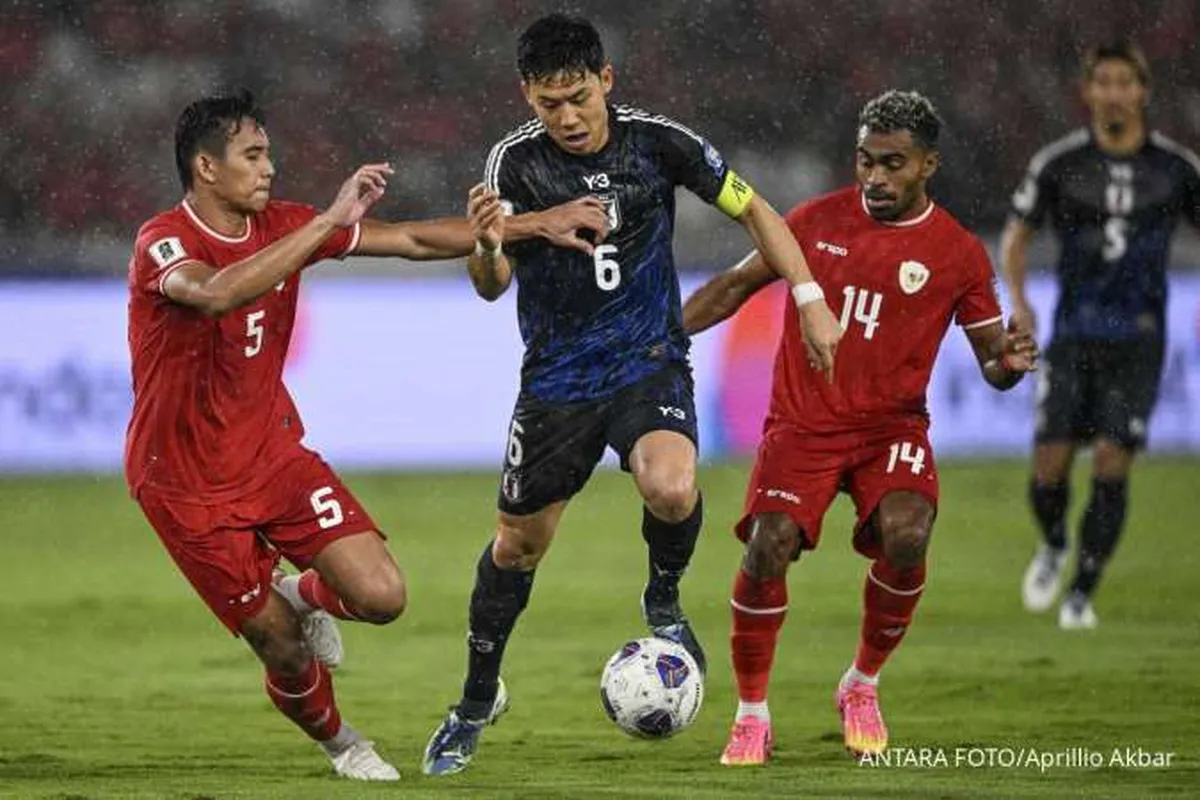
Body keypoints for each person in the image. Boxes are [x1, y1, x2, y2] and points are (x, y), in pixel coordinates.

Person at [125, 89, 608, 781]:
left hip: (271, 457)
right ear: (206, 167)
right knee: (283, 649)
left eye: (269, 153)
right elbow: (215, 293)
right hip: (182, 484)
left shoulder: (286, 224)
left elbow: (411, 238)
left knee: (381, 597)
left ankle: (299, 592)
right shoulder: (162, 241)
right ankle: (344, 744)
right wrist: (325, 223)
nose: (269, 167)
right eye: (253, 155)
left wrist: (529, 224)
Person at [421, 13, 843, 777]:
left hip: (648, 361)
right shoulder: (513, 164)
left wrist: (808, 296)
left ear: (606, 80)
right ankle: (477, 699)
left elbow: (757, 211)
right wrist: (490, 243)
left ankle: (664, 600)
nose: (569, 118)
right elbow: (490, 289)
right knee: (518, 546)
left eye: (579, 97)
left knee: (671, 485)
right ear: (529, 97)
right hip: (556, 382)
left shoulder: (661, 143)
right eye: (550, 104)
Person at [682, 90, 1039, 765]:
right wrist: (661, 339)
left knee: (908, 534)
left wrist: (1011, 362)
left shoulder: (957, 252)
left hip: (891, 429)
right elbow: (732, 287)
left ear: (928, 165)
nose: (875, 177)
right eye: (865, 161)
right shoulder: (813, 222)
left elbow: (994, 361)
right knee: (768, 544)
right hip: (804, 424)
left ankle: (862, 684)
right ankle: (752, 712)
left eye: (893, 164)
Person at [1006, 43, 1200, 629]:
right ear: (1088, 92)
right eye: (1104, 82)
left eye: (1125, 83)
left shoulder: (1176, 168)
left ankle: (1081, 594)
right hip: (1072, 336)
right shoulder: (1060, 164)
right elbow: (1016, 234)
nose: (1114, 93)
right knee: (1049, 466)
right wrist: (1018, 302)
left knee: (1113, 460)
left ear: (1142, 92)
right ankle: (1056, 543)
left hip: (1139, 340)